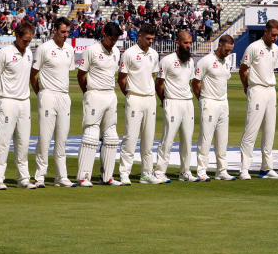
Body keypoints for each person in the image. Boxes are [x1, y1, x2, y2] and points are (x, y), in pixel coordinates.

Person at [75, 22, 122, 186]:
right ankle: (83, 177)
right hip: (95, 93)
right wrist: (88, 92)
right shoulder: (92, 50)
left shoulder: (116, 51)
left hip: (110, 95)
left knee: (111, 136)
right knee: (91, 135)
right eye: (111, 38)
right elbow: (81, 75)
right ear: (104, 35)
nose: (114, 42)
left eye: (116, 39)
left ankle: (107, 176)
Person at [0, 21, 36, 189]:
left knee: (23, 142)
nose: (27, 43)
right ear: (16, 36)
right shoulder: (5, 53)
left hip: (24, 102)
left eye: (29, 40)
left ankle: (23, 178)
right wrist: (0, 97)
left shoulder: (29, 53)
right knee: (3, 141)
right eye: (25, 40)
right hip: (7, 100)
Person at [31, 17, 76, 187]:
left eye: (67, 32)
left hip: (64, 96)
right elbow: (33, 75)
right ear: (55, 30)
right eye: (63, 31)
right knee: (45, 137)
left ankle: (61, 177)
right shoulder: (44, 48)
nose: (65, 35)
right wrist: (41, 93)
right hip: (48, 94)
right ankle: (40, 176)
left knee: (62, 138)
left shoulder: (69, 49)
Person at [239, 19, 278, 179]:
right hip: (256, 88)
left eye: (277, 35)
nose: (275, 38)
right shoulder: (254, 47)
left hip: (271, 90)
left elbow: (271, 70)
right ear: (266, 31)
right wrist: (247, 87)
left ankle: (266, 168)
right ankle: (244, 168)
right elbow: (243, 70)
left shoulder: (276, 48)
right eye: (273, 35)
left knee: (269, 130)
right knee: (251, 129)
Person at [118, 23, 161, 184]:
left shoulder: (154, 54)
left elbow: (153, 75)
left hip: (150, 99)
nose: (150, 41)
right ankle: (124, 173)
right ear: (140, 36)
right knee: (130, 137)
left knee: (148, 139)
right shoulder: (129, 53)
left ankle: (146, 174)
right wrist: (130, 94)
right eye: (148, 38)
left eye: (152, 39)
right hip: (134, 97)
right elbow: (121, 79)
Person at [154, 30, 196, 183]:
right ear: (177, 43)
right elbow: (158, 84)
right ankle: (159, 171)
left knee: (187, 139)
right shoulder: (167, 60)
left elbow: (190, 82)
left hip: (187, 102)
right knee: (168, 138)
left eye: (190, 43)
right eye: (186, 43)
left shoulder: (190, 61)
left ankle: (185, 172)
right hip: (172, 102)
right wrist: (164, 99)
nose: (188, 46)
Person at [193, 34, 236, 182]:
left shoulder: (226, 61)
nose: (228, 53)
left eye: (231, 50)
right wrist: (203, 99)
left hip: (223, 102)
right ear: (220, 46)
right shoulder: (206, 61)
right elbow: (195, 82)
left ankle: (221, 171)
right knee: (205, 138)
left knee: (222, 139)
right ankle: (202, 171)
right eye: (227, 50)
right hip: (209, 102)